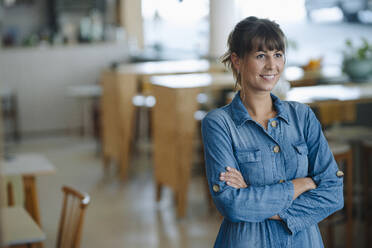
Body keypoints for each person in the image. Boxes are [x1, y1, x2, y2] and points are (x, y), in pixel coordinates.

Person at [201, 16, 344, 248]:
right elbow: (231, 204)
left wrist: (252, 195)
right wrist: (301, 184)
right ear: (237, 60)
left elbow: (333, 194)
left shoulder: (302, 116)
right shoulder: (219, 123)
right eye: (260, 56)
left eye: (277, 54)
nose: (271, 65)